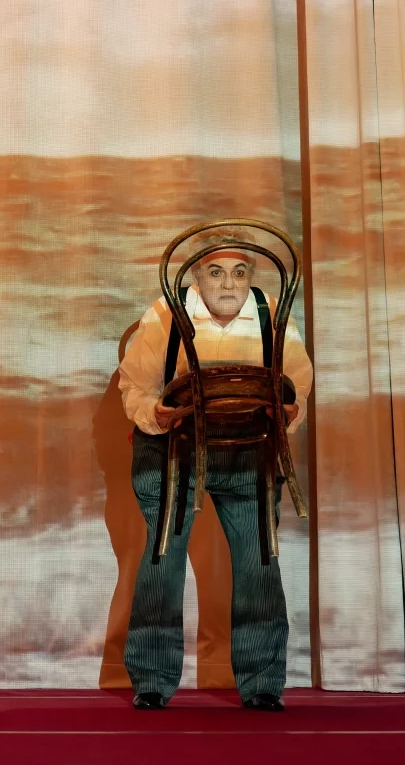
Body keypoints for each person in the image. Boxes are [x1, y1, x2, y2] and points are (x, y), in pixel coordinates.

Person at [115, 248, 312, 711]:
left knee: (258, 559)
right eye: (216, 272)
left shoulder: (268, 312)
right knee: (163, 557)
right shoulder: (167, 313)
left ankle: (262, 682)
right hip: (174, 448)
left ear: (251, 278)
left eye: (239, 273)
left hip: (247, 449)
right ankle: (151, 678)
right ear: (197, 279)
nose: (228, 283)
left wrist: (288, 411)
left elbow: (297, 381)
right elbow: (135, 384)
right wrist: (156, 414)